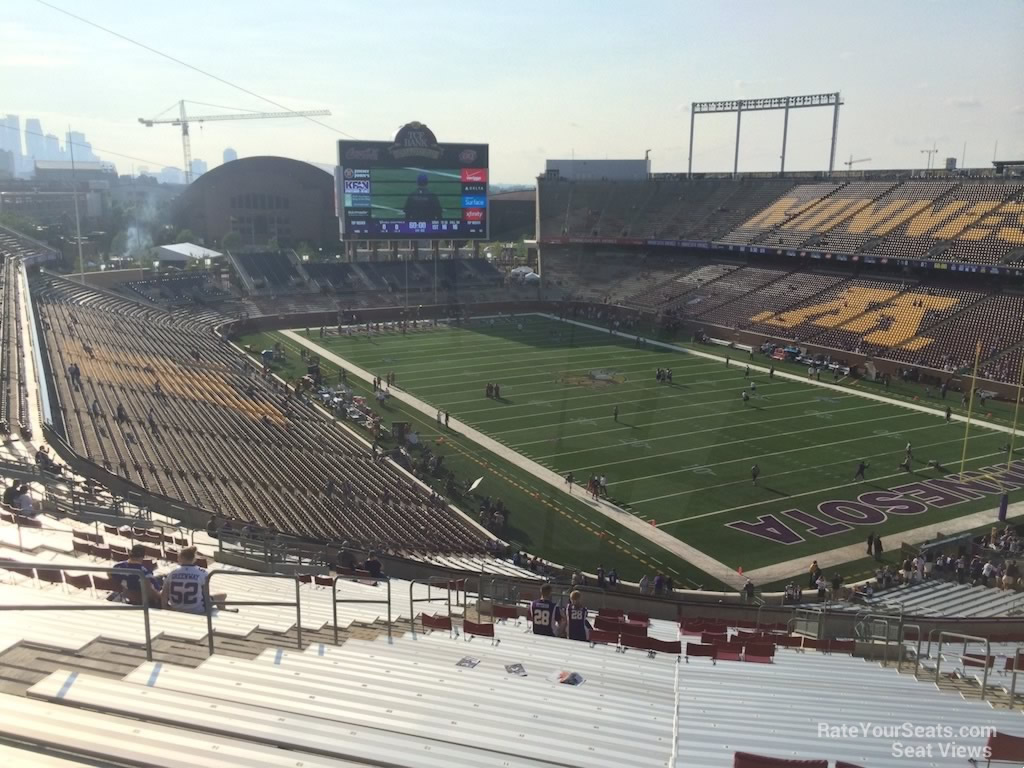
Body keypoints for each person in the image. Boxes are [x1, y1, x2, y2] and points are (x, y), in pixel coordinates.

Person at [163, 546, 226, 614]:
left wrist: (166, 608)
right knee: (223, 595)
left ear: (181, 558)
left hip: (176, 608)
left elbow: (164, 594)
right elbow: (205, 594)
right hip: (197, 610)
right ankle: (224, 612)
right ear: (194, 559)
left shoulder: (172, 573)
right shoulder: (203, 573)